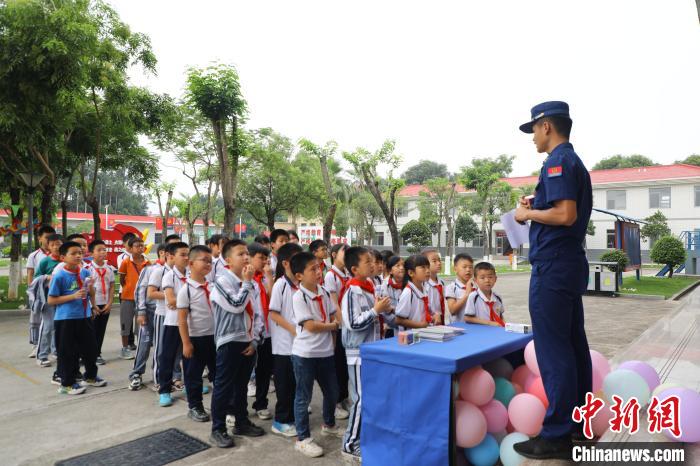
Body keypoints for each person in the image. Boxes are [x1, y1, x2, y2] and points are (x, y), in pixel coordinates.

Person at [513, 101, 593, 459]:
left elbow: (564, 213)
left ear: (546, 125)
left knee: (554, 350)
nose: (532, 138)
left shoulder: (559, 161)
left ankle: (558, 433)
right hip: (567, 262)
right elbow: (562, 210)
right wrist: (536, 204)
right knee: (573, 346)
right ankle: (578, 424)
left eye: (533, 130)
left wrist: (527, 213)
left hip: (553, 266)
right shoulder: (572, 163)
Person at [209, 239, 266, 448]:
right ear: (228, 259)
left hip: (248, 341)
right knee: (223, 387)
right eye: (241, 254)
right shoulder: (222, 282)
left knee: (241, 386)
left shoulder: (252, 283)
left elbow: (258, 312)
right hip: (229, 341)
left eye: (247, 254)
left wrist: (255, 340)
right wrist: (247, 282)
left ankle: (241, 422)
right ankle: (218, 428)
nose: (246, 258)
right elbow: (236, 305)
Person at [340, 247, 392, 461]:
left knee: (373, 398)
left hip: (373, 351)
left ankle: (365, 438)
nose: (373, 264)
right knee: (360, 400)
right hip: (358, 353)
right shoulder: (352, 290)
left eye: (373, 261)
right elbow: (353, 323)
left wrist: (386, 310)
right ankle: (349, 444)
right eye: (367, 262)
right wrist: (375, 311)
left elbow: (380, 315)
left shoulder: (371, 285)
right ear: (354, 269)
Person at [290, 252, 341, 458]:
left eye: (319, 267)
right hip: (305, 354)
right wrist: (332, 326)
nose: (318, 271)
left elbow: (331, 314)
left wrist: (333, 337)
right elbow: (310, 326)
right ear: (299, 275)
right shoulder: (298, 296)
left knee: (333, 392)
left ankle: (329, 424)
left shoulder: (323, 292)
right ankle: (302, 438)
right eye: (312, 269)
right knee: (304, 396)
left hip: (325, 352)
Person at [47, 241, 106, 394]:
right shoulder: (60, 275)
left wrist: (93, 306)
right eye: (73, 253)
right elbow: (51, 300)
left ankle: (90, 376)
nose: (78, 256)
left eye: (80, 252)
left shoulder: (85, 272)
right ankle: (67, 383)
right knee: (67, 352)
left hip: (84, 316)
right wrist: (72, 296)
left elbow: (91, 291)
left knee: (90, 349)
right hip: (66, 319)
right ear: (63, 257)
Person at [268, 242, 303, 438]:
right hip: (283, 345)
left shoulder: (299, 285)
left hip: (297, 345)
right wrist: (294, 330)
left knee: (296, 384)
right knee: (285, 385)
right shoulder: (281, 284)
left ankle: (291, 417)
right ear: (286, 263)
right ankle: (281, 421)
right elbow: (273, 313)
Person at [177, 245, 216, 422]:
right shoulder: (186, 290)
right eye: (204, 260)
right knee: (194, 375)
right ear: (191, 263)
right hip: (195, 339)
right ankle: (195, 406)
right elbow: (182, 319)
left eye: (210, 261)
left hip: (214, 338)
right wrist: (186, 343)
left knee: (218, 373)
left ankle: (222, 405)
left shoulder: (213, 286)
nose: (208, 264)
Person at [128, 244, 166, 389]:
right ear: (163, 253)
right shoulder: (150, 269)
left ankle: (159, 375)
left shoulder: (175, 271)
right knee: (144, 343)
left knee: (161, 346)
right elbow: (140, 290)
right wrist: (141, 312)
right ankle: (136, 373)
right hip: (149, 312)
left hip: (164, 313)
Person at [158, 241, 189, 406]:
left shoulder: (191, 274)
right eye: (182, 254)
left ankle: (190, 385)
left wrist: (182, 301)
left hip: (190, 322)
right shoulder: (169, 276)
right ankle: (164, 389)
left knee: (189, 356)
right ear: (170, 257)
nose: (186, 257)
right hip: (173, 322)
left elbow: (178, 301)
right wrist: (190, 301)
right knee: (168, 357)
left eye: (187, 254)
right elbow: (170, 300)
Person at [323, 243, 350, 419]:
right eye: (344, 252)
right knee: (338, 366)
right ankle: (336, 402)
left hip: (348, 325)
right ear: (333, 255)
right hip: (340, 326)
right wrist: (344, 324)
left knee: (346, 367)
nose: (347, 255)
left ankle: (344, 397)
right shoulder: (331, 276)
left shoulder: (347, 275)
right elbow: (334, 304)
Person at [248, 242, 274, 420]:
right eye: (261, 258)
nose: (264, 262)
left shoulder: (265, 277)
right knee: (243, 372)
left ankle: (261, 403)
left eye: (267, 258)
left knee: (265, 370)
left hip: (267, 330)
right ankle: (235, 408)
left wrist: (269, 277)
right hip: (249, 332)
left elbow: (273, 299)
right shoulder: (246, 278)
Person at [118, 237, 150, 360]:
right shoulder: (126, 262)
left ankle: (140, 347)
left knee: (141, 324)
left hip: (142, 298)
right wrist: (128, 288)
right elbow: (122, 279)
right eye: (137, 246)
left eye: (142, 246)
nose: (141, 248)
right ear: (130, 248)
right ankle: (124, 348)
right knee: (125, 323)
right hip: (127, 297)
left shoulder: (147, 262)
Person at [27, 224, 56, 358]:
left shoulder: (58, 255)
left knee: (51, 323)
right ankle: (35, 346)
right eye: (46, 237)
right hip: (39, 293)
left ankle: (53, 347)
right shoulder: (34, 256)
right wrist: (32, 293)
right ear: (39, 238)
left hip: (53, 295)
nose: (48, 240)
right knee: (36, 320)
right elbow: (31, 274)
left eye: (51, 237)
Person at [35, 233, 64, 368]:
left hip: (63, 299)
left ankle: (56, 351)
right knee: (47, 327)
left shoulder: (65, 261)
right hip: (47, 298)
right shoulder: (45, 261)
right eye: (53, 245)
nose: (56, 247)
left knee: (58, 327)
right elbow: (36, 279)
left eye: (58, 244)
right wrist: (46, 277)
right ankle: (41, 355)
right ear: (49, 247)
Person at [88, 240, 114, 365]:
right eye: (99, 250)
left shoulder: (109, 268)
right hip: (93, 304)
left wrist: (110, 303)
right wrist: (93, 305)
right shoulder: (88, 268)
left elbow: (112, 285)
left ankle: (97, 353)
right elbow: (87, 288)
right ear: (91, 253)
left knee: (101, 330)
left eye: (104, 249)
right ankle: (89, 354)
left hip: (105, 303)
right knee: (91, 330)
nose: (103, 252)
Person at [395, 255, 433, 330]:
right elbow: (399, 320)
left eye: (428, 267)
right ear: (411, 273)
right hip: (411, 337)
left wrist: (433, 317)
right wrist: (421, 325)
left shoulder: (424, 288)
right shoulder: (408, 292)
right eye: (423, 267)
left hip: (423, 334)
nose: (428, 271)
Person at [465, 262, 505, 327]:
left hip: (497, 331)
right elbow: (467, 318)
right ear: (475, 280)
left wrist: (505, 326)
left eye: (490, 277)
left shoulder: (498, 297)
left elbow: (500, 316)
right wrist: (489, 323)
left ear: (495, 279)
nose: (487, 280)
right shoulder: (473, 297)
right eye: (482, 278)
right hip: (481, 332)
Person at [378, 255, 404, 337]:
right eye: (398, 266)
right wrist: (399, 322)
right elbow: (385, 310)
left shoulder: (409, 284)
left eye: (403, 265)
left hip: (409, 326)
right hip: (391, 326)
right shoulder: (384, 285)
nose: (402, 268)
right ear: (390, 271)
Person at [445, 253, 475, 324]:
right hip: (458, 328)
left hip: (476, 327)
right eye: (464, 267)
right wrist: (467, 294)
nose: (468, 270)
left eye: (471, 267)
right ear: (455, 269)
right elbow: (452, 310)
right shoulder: (451, 288)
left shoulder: (477, 286)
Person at [422, 250, 445, 325]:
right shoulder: (424, 284)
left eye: (439, 260)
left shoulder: (441, 282)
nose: (438, 263)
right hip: (429, 323)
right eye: (434, 261)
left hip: (442, 322)